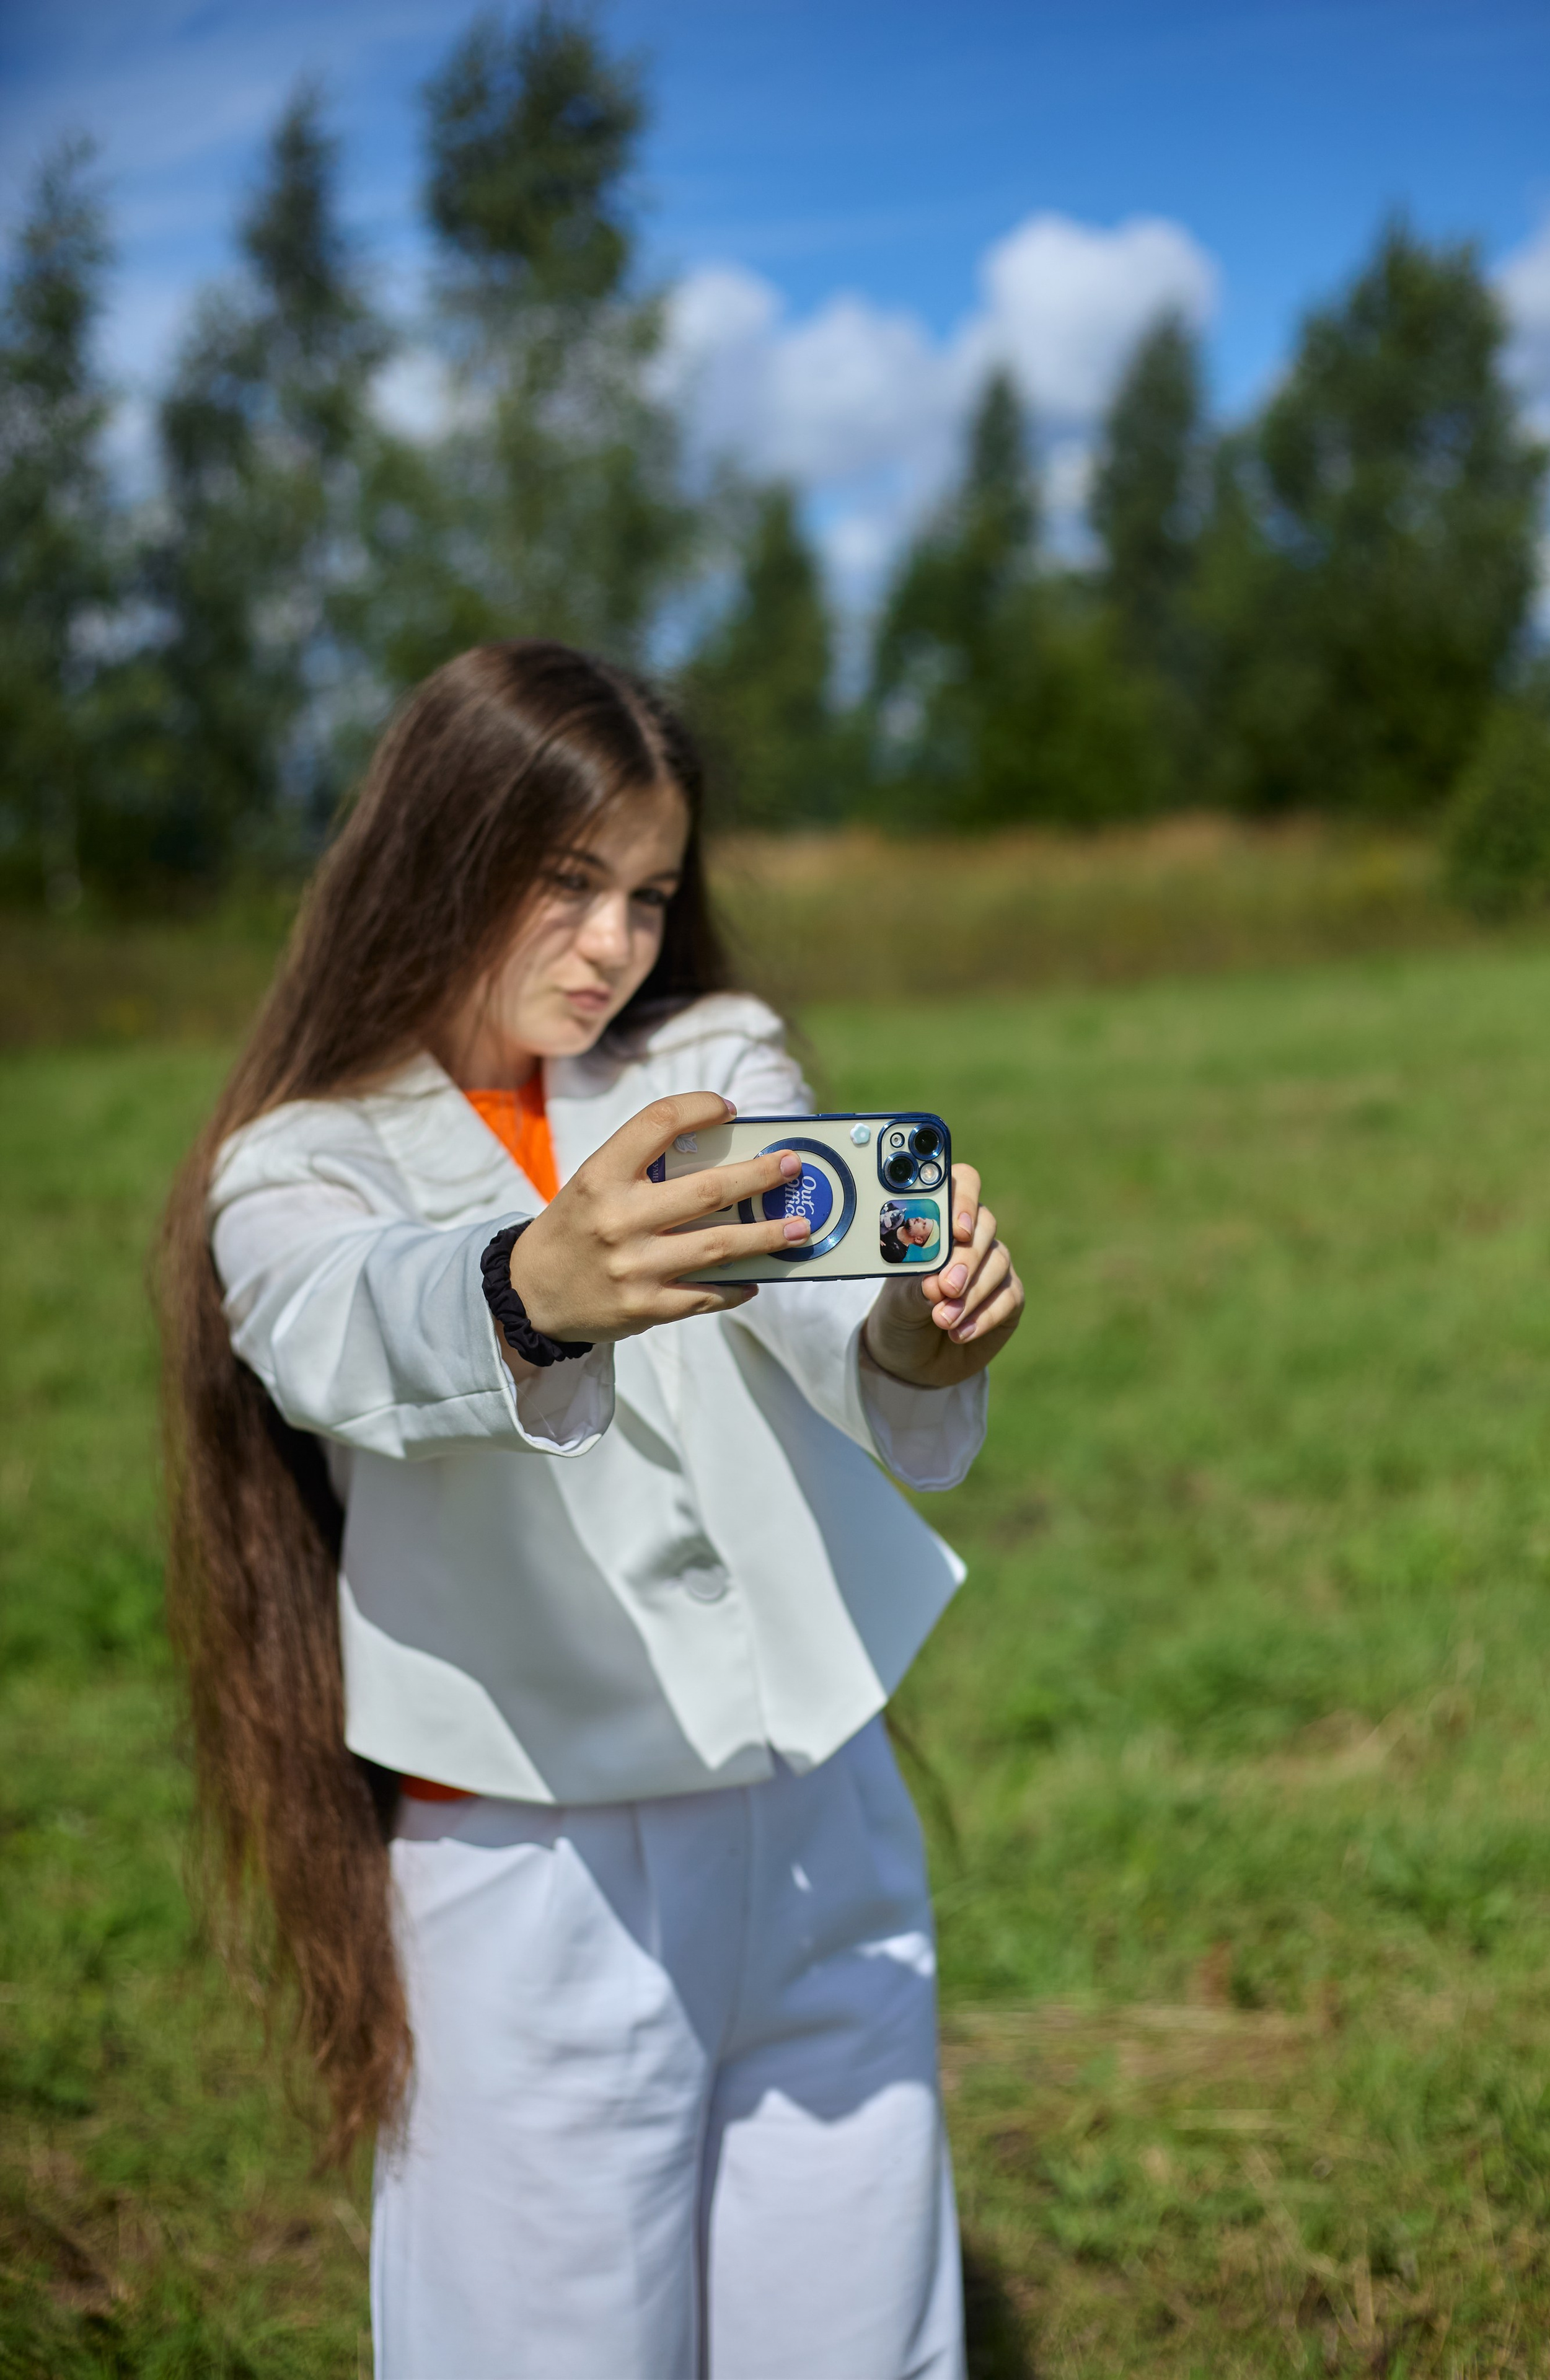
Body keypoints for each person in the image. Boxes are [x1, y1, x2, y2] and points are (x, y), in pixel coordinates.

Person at [159, 640, 1024, 2380]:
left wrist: (909, 1335)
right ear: (439, 850)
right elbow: (338, 1325)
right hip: (530, 1855)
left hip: (814, 1807)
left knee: (857, 2333)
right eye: (567, 880)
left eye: (649, 891)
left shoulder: (707, 1055)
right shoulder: (301, 1157)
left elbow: (803, 1272)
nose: (614, 941)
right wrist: (525, 1285)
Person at [880, 1201, 942, 1266]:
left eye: (923, 1225)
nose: (919, 1218)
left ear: (918, 1239)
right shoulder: (895, 1212)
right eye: (924, 1219)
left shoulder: (895, 1255)